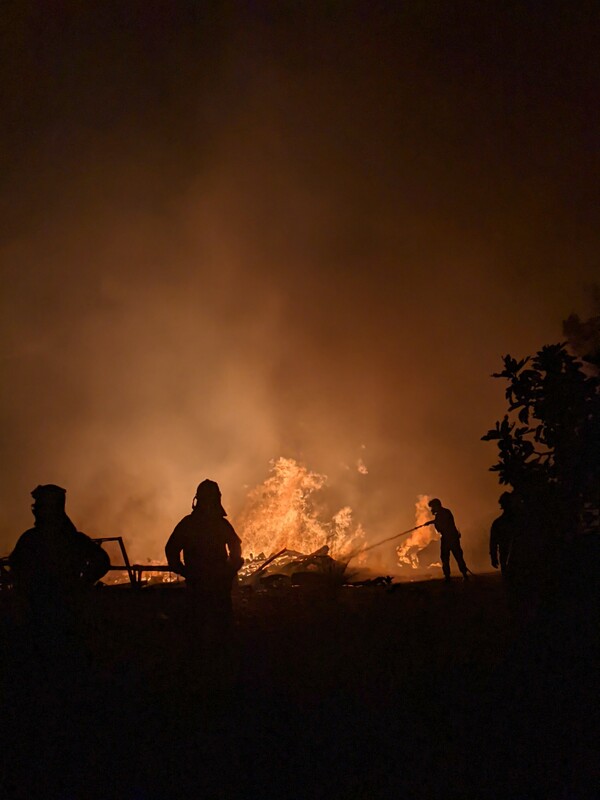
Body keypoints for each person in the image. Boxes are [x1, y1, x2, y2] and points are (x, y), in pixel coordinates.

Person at [9, 484, 110, 667]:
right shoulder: (70, 539)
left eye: (38, 507)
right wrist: (83, 581)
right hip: (56, 611)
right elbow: (102, 561)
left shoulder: (32, 539)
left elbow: (16, 572)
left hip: (53, 612)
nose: (36, 511)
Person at [165, 479, 243, 628]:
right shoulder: (221, 524)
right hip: (217, 586)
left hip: (198, 585)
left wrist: (183, 570)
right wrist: (230, 570)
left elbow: (171, 549)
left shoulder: (188, 523)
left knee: (199, 626)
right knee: (221, 627)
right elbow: (235, 549)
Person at [424, 498, 469, 581]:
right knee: (447, 557)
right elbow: (438, 521)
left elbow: (442, 524)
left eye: (432, 507)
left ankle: (462, 574)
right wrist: (430, 522)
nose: (432, 509)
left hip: (450, 538)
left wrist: (432, 522)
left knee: (455, 556)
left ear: (437, 506)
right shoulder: (443, 513)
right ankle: (451, 576)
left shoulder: (444, 513)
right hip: (448, 538)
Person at [489, 492, 515, 577]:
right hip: (516, 557)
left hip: (507, 556)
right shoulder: (520, 520)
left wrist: (493, 557)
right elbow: (493, 542)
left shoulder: (498, 523)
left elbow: (493, 542)